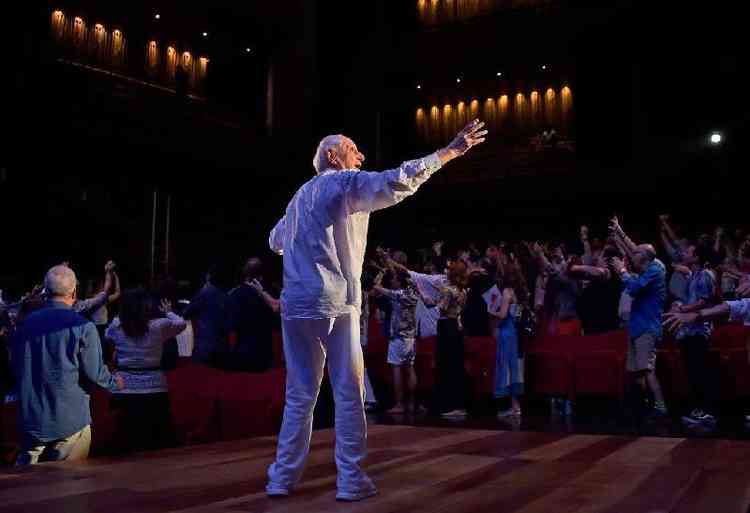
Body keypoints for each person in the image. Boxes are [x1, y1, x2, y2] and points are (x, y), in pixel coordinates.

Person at [265, 120, 487, 501]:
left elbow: (275, 241)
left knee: (300, 394)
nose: (360, 155)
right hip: (335, 301)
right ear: (332, 156)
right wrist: (448, 153)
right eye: (353, 148)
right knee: (349, 390)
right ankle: (350, 479)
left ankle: (281, 478)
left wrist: (309, 238)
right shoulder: (340, 183)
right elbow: (396, 181)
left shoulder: (298, 197)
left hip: (296, 305)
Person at [10, 265, 123, 466]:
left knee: (25, 491)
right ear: (74, 291)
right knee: (68, 491)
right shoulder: (83, 326)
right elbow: (95, 372)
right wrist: (116, 383)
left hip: (32, 420)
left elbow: (14, 367)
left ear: (45, 291)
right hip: (70, 421)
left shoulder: (23, 326)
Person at [106, 288, 187, 451]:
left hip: (124, 388)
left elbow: (108, 337)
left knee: (127, 437)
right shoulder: (158, 326)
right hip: (154, 387)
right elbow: (181, 323)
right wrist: (169, 312)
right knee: (155, 439)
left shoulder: (116, 326)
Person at [609, 216, 668, 418]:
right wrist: (620, 231)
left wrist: (622, 271)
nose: (632, 254)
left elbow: (633, 288)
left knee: (647, 369)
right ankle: (643, 405)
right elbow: (635, 249)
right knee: (636, 371)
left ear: (645, 257)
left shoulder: (655, 269)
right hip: (636, 325)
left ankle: (660, 406)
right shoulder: (648, 262)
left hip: (648, 327)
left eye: (636, 253)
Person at [669, 244, 719, 427]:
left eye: (689, 252)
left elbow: (704, 301)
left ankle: (706, 413)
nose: (684, 253)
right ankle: (698, 411)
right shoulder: (694, 275)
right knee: (692, 373)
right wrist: (678, 305)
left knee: (699, 372)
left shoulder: (705, 275)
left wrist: (682, 309)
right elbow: (691, 299)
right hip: (689, 331)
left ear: (697, 257)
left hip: (699, 331)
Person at [372, 269, 420, 415]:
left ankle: (399, 404)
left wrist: (380, 272)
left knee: (397, 369)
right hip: (411, 337)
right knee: (410, 368)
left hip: (399, 337)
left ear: (399, 282)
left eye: (394, 279)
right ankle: (412, 403)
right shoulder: (412, 293)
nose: (392, 281)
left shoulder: (397, 295)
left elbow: (376, 288)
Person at [226, 258, 280, 372]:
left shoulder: (234, 294)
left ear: (244, 273)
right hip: (265, 355)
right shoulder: (272, 295)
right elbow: (276, 325)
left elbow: (231, 325)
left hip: (242, 354)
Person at [491, 263, 529, 418]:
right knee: (515, 368)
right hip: (516, 334)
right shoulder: (521, 292)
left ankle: (513, 406)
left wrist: (492, 310)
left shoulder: (507, 291)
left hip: (507, 334)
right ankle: (515, 406)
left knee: (507, 368)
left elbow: (502, 315)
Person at [183, 263, 233, 367]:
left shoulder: (205, 292)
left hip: (205, 347)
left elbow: (187, 312)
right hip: (223, 347)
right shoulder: (227, 295)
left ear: (209, 276)